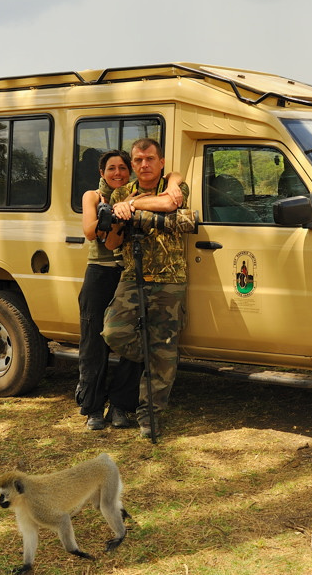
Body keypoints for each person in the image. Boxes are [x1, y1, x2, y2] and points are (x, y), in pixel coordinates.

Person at [75, 148, 182, 430]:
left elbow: (173, 178)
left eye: (123, 168)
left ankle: (121, 406)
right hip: (101, 274)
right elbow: (91, 233)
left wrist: (139, 202)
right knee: (96, 342)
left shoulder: (133, 196)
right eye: (111, 168)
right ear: (102, 173)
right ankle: (93, 408)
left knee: (133, 340)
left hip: (128, 273)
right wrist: (116, 211)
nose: (118, 173)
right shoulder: (95, 196)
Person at [102, 138, 189, 439]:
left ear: (161, 162)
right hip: (133, 276)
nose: (143, 165)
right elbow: (111, 243)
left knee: (164, 353)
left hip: (170, 280)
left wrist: (133, 204)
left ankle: (149, 415)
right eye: (138, 160)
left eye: (150, 159)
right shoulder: (120, 192)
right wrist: (116, 218)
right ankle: (150, 353)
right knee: (114, 332)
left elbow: (168, 204)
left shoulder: (174, 186)